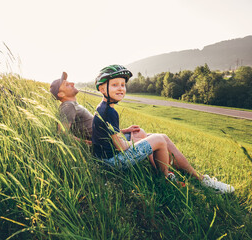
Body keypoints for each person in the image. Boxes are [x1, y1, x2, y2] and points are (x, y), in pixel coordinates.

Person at [91, 64, 235, 194]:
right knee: (159, 139)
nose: (121, 88)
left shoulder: (103, 108)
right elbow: (121, 146)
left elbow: (106, 132)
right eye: (115, 85)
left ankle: (193, 176)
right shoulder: (109, 111)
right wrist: (133, 141)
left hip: (106, 157)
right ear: (102, 88)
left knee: (148, 134)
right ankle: (165, 179)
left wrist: (126, 131)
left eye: (123, 84)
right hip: (112, 162)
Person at [49, 72, 151, 147]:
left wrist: (125, 130)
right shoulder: (68, 106)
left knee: (148, 135)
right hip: (106, 145)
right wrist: (89, 144)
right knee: (146, 136)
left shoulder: (72, 105)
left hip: (109, 139)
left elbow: (100, 129)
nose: (72, 83)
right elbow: (62, 134)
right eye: (67, 84)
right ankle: (162, 172)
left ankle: (163, 171)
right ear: (61, 94)